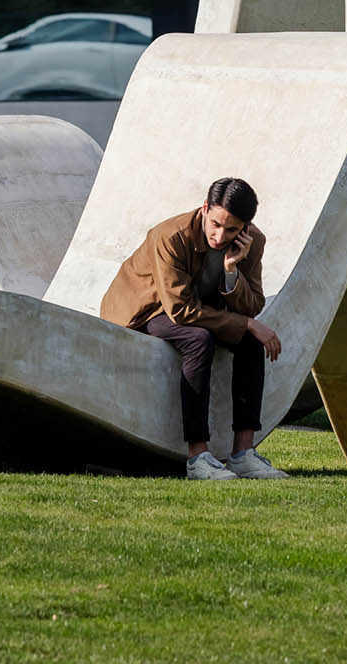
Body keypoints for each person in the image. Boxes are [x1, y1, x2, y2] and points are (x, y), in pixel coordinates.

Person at [101, 175, 287, 480]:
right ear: (204, 208)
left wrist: (231, 271)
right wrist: (246, 323)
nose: (219, 235)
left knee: (250, 341)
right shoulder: (170, 236)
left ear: (245, 228)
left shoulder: (253, 244)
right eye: (215, 223)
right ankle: (197, 457)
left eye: (231, 229)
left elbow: (251, 304)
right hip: (145, 310)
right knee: (199, 339)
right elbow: (179, 309)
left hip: (196, 309)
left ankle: (243, 454)